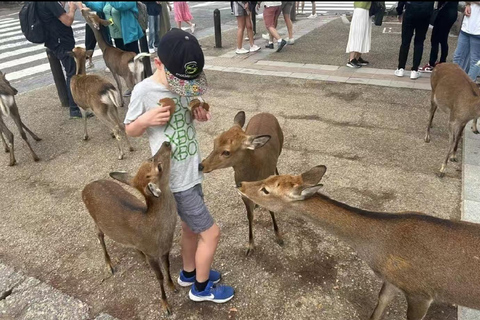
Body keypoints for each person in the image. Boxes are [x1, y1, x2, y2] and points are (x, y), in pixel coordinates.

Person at [124, 28, 235, 304]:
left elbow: (191, 110)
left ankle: (188, 272)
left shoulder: (185, 83)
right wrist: (146, 120)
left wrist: (199, 113)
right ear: (158, 62)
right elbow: (129, 129)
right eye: (179, 81)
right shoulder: (144, 91)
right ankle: (201, 288)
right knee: (211, 233)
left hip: (192, 170)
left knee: (190, 228)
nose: (183, 87)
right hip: (176, 181)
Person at [37, 2, 90, 119]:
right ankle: (74, 108)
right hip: (61, 42)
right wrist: (72, 9)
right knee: (72, 73)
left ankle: (71, 103)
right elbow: (67, 21)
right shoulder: (51, 3)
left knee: (70, 72)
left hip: (54, 40)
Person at [394, 1, 434, 80]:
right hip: (424, 14)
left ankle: (401, 68)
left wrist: (399, 11)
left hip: (410, 11)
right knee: (419, 42)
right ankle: (414, 70)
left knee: (405, 42)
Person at [419, 1, 458, 72]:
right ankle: (442, 61)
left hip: (444, 13)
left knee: (435, 39)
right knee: (443, 39)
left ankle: (432, 63)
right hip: (452, 12)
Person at [453, 1, 480, 81]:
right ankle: (455, 81)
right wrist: (468, 4)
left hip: (478, 32)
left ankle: (469, 85)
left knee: (475, 61)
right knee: (458, 56)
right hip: (466, 27)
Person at [82, 2, 112, 69]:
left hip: (104, 16)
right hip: (94, 16)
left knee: (106, 39)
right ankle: (89, 60)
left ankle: (110, 62)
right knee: (90, 38)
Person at [346, 1, 372, 68]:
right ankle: (351, 59)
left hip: (366, 8)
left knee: (363, 33)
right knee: (357, 33)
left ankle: (357, 57)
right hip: (360, 8)